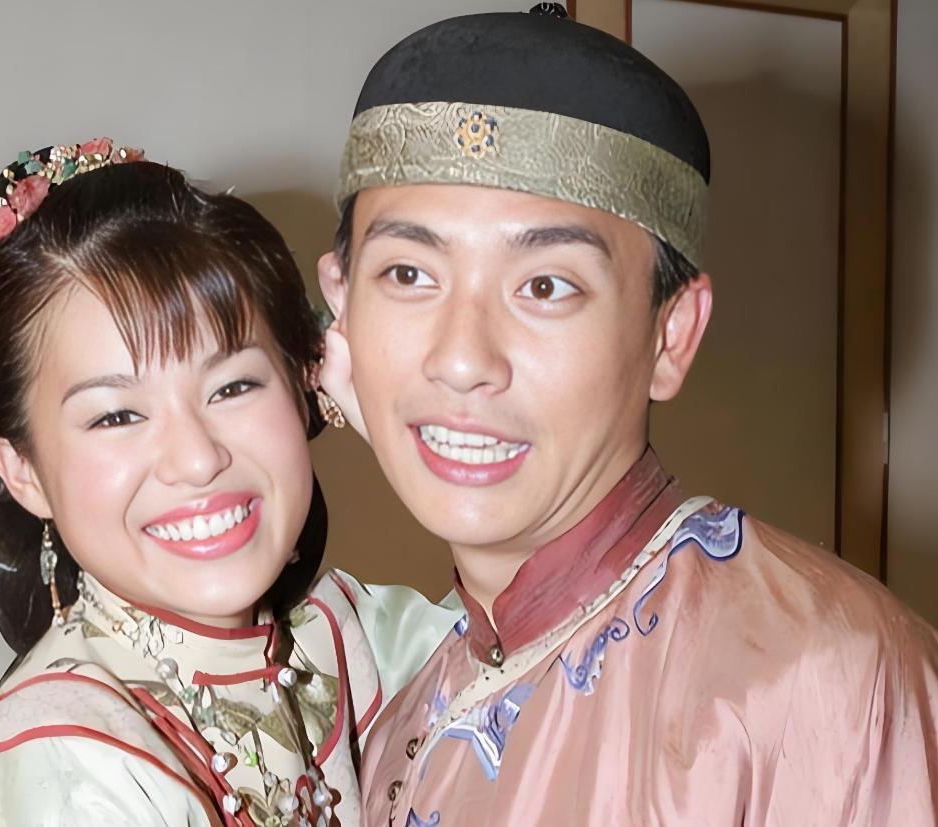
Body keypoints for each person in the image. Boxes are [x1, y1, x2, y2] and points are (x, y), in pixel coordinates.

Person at [315, 7, 938, 825]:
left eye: (545, 286)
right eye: (407, 274)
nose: (461, 358)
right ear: (341, 306)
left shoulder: (823, 684)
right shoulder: (398, 718)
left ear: (669, 335)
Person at [0, 139, 458, 825]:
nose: (196, 459)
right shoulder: (58, 763)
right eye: (116, 415)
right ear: (22, 470)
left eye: (233, 386)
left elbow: (559, 664)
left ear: (306, 385)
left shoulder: (353, 639)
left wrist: (415, 445)